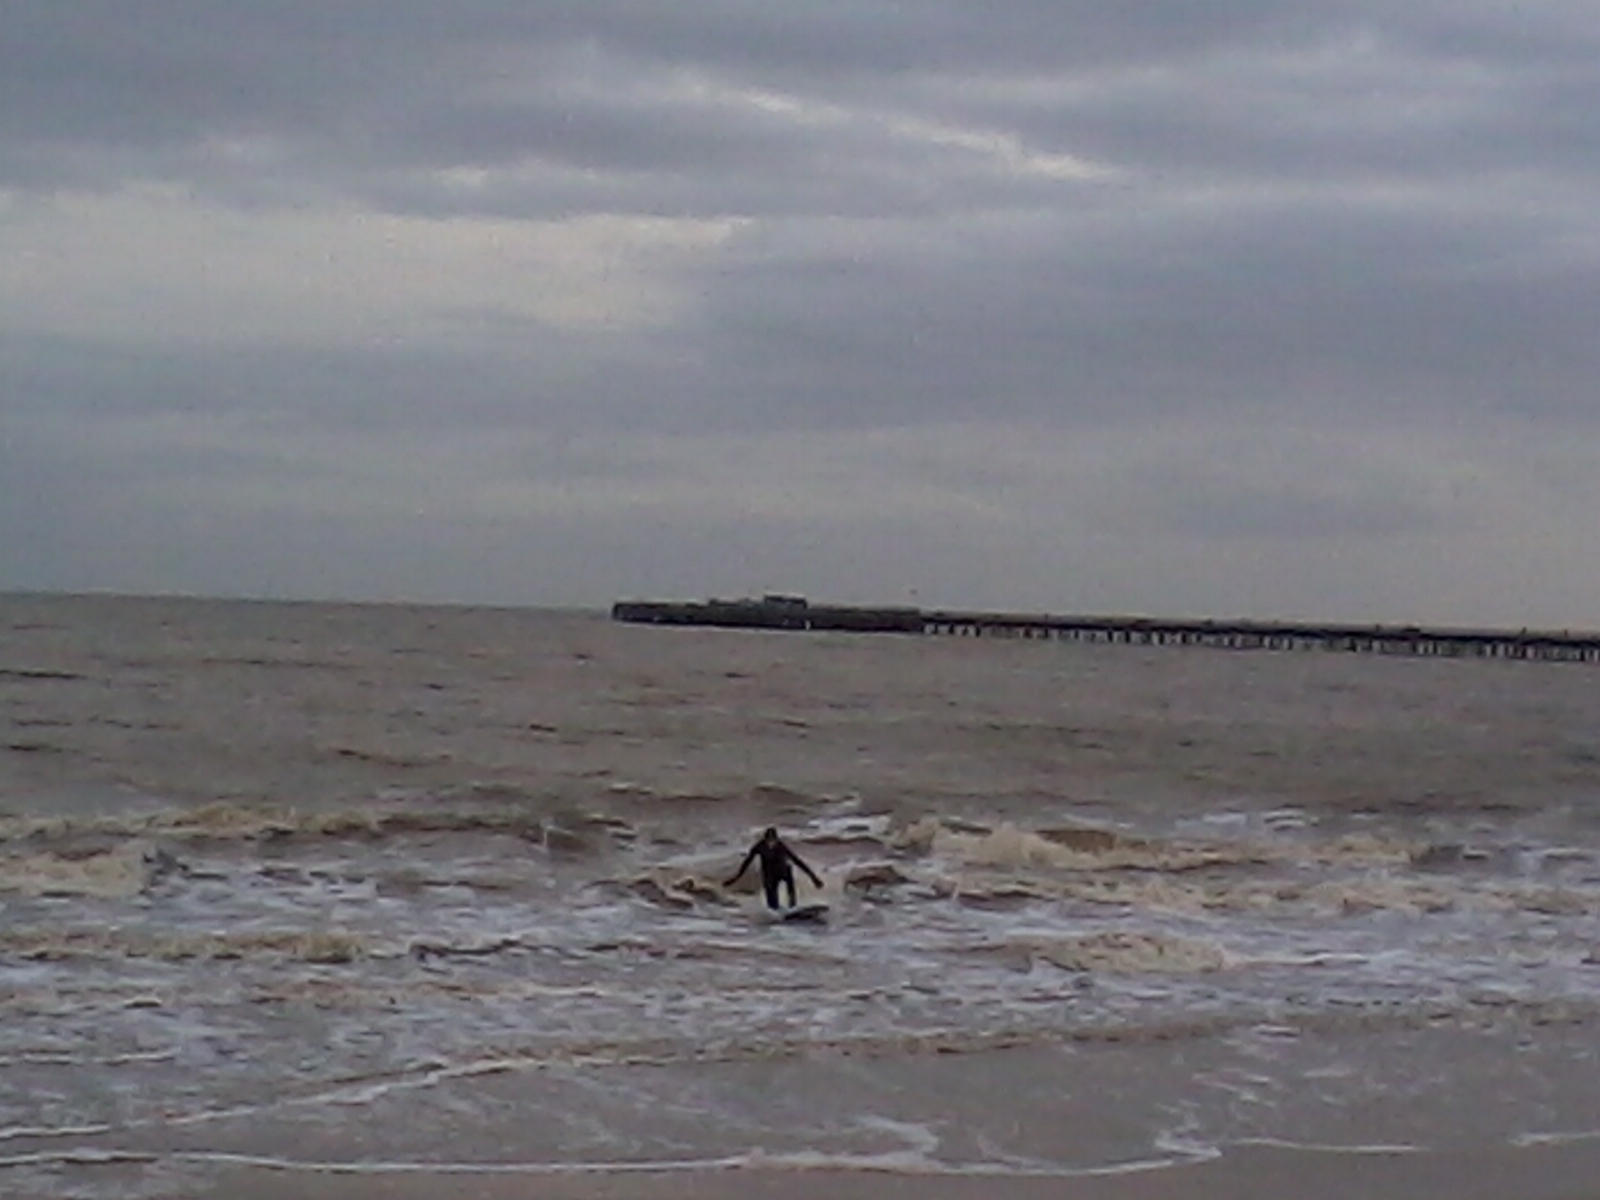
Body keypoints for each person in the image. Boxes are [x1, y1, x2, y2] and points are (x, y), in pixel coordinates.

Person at [724, 827, 823, 910]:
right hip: (769, 874)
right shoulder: (759, 847)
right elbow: (746, 863)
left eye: (773, 841)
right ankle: (775, 912)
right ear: (765, 839)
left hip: (782, 871)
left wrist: (813, 878)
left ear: (776, 839)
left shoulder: (781, 846)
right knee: (771, 900)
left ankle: (792, 905)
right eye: (769, 841)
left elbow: (796, 861)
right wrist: (735, 878)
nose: (771, 843)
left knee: (789, 873)